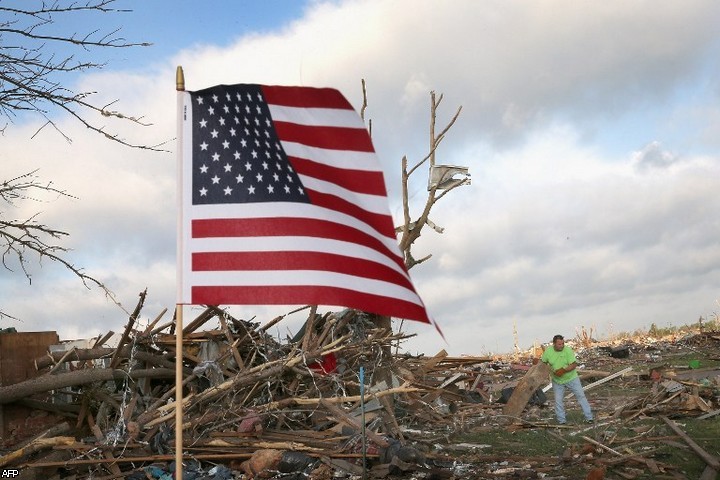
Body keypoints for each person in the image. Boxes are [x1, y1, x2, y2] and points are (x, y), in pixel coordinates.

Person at [540, 334, 593, 424]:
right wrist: (538, 364)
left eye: (562, 344)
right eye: (559, 344)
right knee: (558, 400)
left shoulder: (567, 350)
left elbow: (573, 364)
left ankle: (589, 418)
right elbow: (543, 363)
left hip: (571, 378)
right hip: (557, 381)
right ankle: (562, 421)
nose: (561, 346)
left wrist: (563, 370)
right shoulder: (548, 352)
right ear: (554, 344)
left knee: (581, 396)